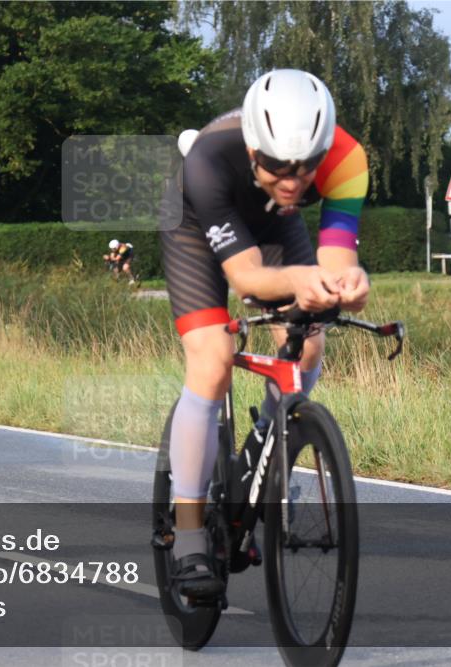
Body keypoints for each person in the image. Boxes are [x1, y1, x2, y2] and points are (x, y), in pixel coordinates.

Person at [159, 69, 370, 597]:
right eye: (277, 165)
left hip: (276, 225)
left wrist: (347, 282)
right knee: (213, 359)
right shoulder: (209, 161)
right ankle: (187, 535)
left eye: (306, 167)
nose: (294, 180)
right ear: (254, 148)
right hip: (194, 221)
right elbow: (246, 278)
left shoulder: (347, 160)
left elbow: (335, 258)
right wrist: (301, 280)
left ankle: (270, 453)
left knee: (309, 343)